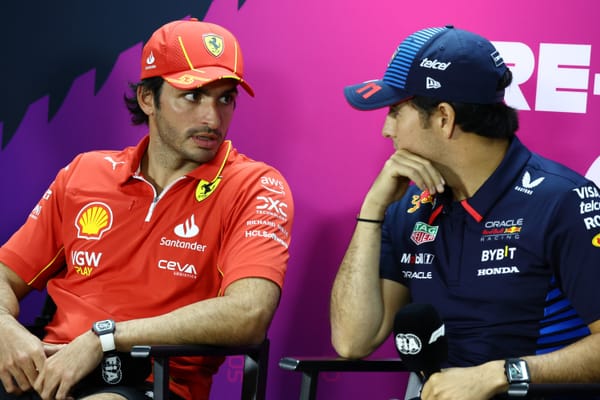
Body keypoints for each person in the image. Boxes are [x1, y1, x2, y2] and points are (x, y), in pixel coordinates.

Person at [0, 18, 294, 400]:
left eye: (225, 98)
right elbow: (6, 275)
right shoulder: (84, 172)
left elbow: (249, 314)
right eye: (193, 96)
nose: (212, 118)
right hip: (50, 370)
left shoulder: (255, 186)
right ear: (147, 98)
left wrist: (104, 339)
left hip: (152, 382)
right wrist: (5, 326)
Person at [330, 25, 600, 400]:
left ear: (443, 117)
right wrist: (372, 212)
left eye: (395, 111)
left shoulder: (563, 200)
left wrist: (502, 374)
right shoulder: (408, 208)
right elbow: (352, 341)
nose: (385, 129)